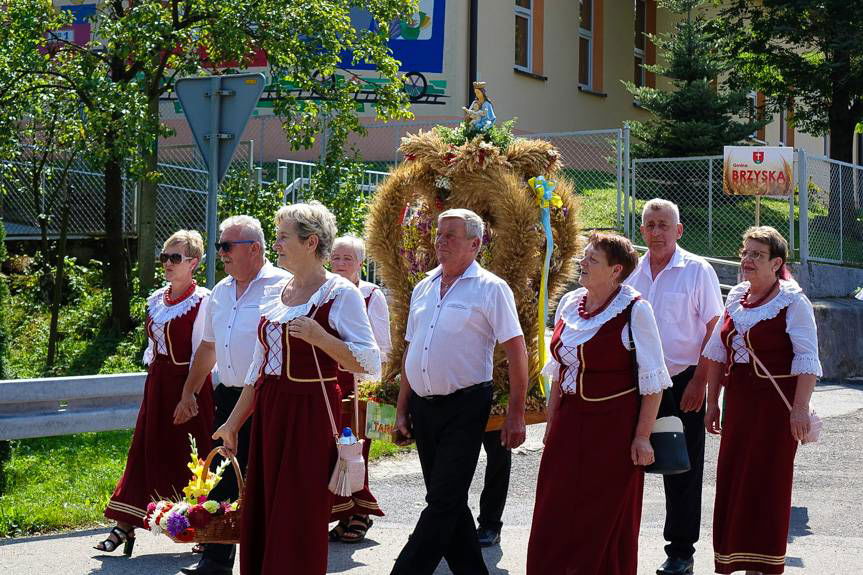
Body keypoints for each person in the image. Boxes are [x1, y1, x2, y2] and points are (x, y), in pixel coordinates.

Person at [213, 202, 380, 575]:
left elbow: (370, 363)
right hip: (272, 410)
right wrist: (233, 424)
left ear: (311, 242)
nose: (277, 245)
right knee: (265, 507)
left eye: (283, 237)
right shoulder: (277, 293)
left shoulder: (339, 294)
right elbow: (258, 371)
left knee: (296, 513)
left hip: (308, 414)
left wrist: (321, 338)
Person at [391, 208, 528, 575]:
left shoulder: (491, 288)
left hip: (465, 406)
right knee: (448, 501)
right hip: (423, 407)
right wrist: (402, 409)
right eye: (439, 234)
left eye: (451, 235)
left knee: (441, 501)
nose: (441, 241)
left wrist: (516, 413)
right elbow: (411, 349)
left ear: (475, 243)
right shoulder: (424, 286)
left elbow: (516, 349)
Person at [526, 232, 672, 575]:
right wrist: (552, 422)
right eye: (584, 257)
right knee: (554, 509)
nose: (583, 263)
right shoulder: (570, 303)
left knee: (600, 518)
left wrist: (642, 436)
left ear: (615, 270)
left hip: (612, 431)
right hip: (567, 424)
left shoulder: (636, 310)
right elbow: (560, 370)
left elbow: (654, 383)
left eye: (592, 260)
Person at [174, 216, 290, 575]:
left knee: (264, 480)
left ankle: (270, 556)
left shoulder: (282, 286)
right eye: (219, 246)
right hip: (228, 395)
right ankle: (216, 559)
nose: (220, 253)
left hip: (268, 396)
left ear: (254, 249)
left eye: (226, 246)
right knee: (223, 475)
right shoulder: (222, 290)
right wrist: (189, 390)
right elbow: (208, 346)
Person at [702, 226, 821, 575]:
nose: (747, 260)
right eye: (745, 252)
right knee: (733, 479)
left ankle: (764, 565)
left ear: (776, 263)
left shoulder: (793, 301)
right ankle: (733, 559)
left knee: (767, 483)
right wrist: (713, 402)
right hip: (739, 401)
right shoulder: (736, 295)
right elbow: (715, 352)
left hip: (774, 408)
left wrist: (799, 409)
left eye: (757, 254)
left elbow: (807, 360)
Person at [95, 231, 213, 556]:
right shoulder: (157, 299)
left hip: (189, 385)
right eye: (165, 257)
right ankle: (125, 522)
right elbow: (152, 348)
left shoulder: (203, 301)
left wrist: (189, 394)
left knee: (193, 456)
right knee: (145, 451)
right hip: (158, 384)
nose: (168, 264)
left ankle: (203, 526)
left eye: (175, 258)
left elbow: (205, 351)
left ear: (194, 262)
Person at [624, 199, 724, 575]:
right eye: (649, 225)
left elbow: (715, 328)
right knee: (630, 459)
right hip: (638, 382)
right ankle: (620, 541)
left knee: (683, 467)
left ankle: (680, 551)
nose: (656, 232)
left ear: (679, 230)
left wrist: (700, 380)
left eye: (664, 225)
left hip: (684, 380)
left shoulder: (697, 270)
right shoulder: (632, 272)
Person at [327, 234, 390, 543]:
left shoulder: (371, 295)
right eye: (335, 258)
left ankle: (360, 512)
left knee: (355, 451)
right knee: (331, 450)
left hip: (357, 385)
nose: (339, 264)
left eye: (347, 259)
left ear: (361, 265)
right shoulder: (323, 291)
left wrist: (373, 393)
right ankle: (342, 512)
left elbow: (383, 348)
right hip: (327, 382)